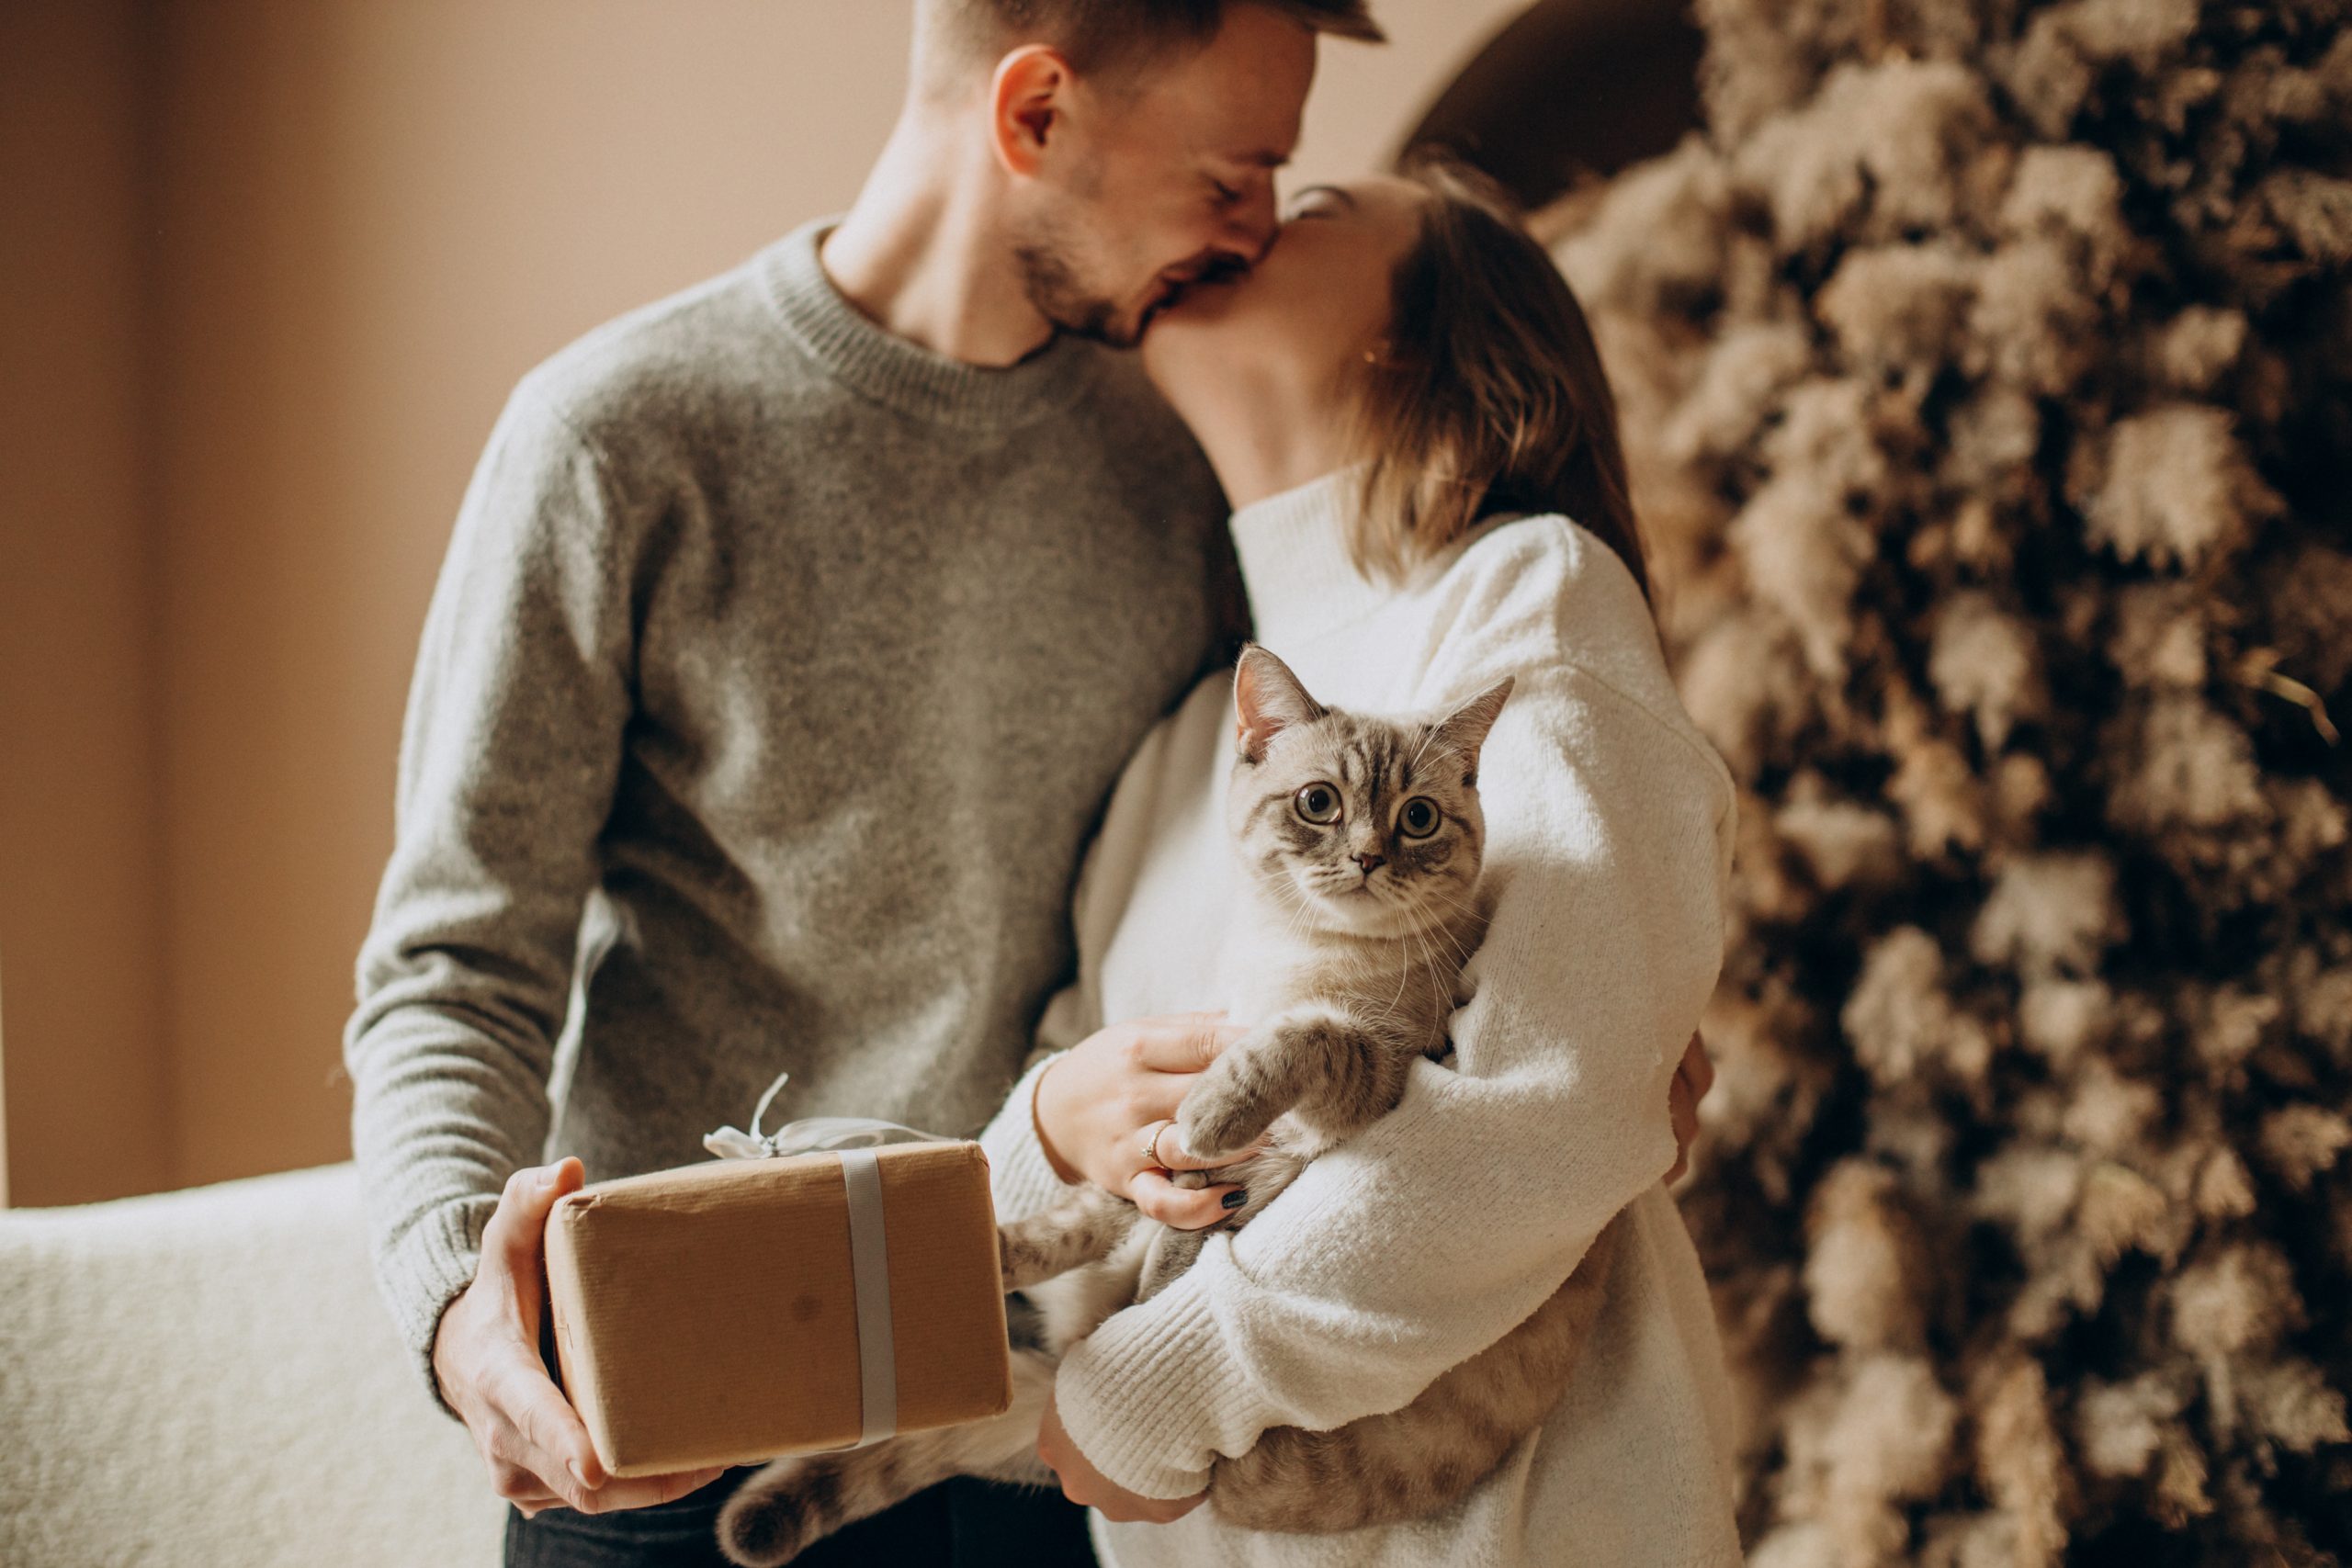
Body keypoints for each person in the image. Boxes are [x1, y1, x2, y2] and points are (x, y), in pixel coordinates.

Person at [343, 5, 1385, 1566]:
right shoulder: (614, 442)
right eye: (1236, 176)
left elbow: (1306, 859)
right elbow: (452, 972)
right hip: (675, 1450)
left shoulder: (1189, 467)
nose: (1256, 236)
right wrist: (455, 1307)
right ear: (1033, 114)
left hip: (1041, 1445)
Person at [968, 164, 1747, 1566]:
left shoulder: (1529, 594)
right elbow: (1107, 1127)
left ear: (1427, 336)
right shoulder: (1194, 740)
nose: (1248, 207)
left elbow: (1538, 1117)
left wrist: (1164, 1391)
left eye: (1310, 204)